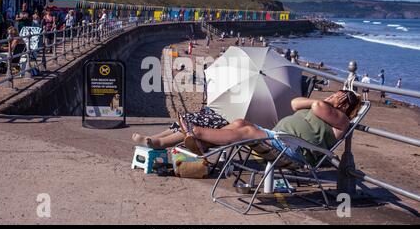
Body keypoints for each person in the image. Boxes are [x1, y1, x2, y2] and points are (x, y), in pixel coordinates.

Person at [132, 90, 361, 165]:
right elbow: (294, 103)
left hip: (292, 151)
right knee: (241, 123)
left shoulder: (341, 122)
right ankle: (197, 141)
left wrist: (328, 102)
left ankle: (197, 134)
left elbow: (319, 105)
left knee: (247, 132)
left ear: (344, 106)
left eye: (338, 97)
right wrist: (326, 100)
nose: (332, 98)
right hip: (278, 139)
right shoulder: (322, 108)